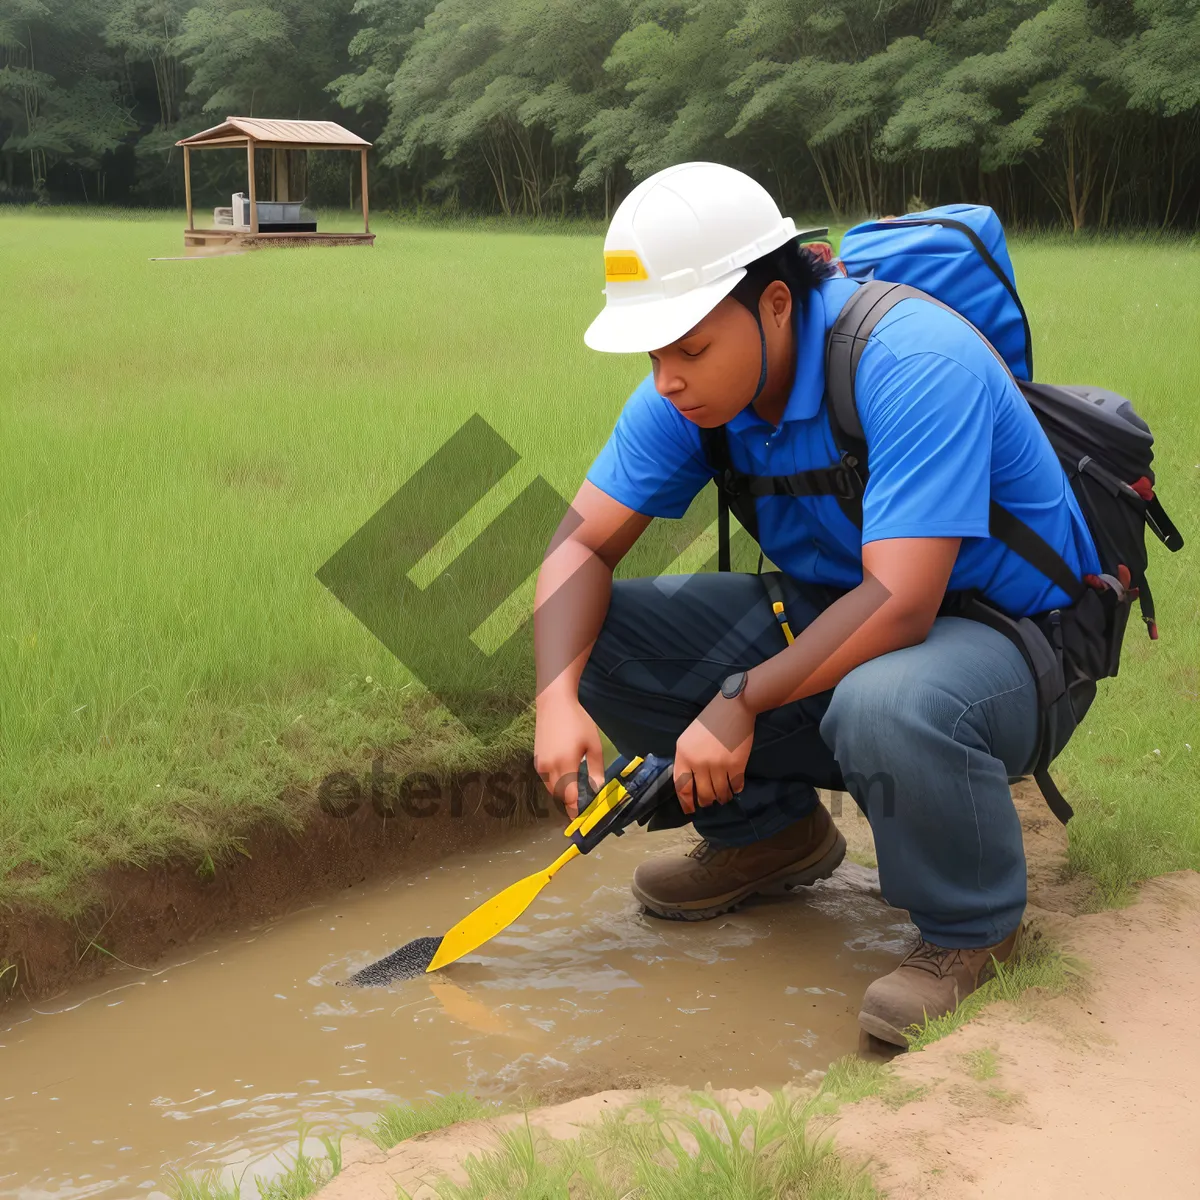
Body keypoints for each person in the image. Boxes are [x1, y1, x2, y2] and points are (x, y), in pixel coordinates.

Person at [531, 162, 1101, 1046]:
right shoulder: (688, 399)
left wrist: (742, 697)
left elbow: (904, 605)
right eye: (654, 354)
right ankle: (769, 836)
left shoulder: (911, 360)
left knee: (890, 698)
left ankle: (973, 932)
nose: (669, 379)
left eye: (688, 347)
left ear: (775, 305)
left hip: (1012, 646)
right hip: (845, 614)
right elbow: (578, 548)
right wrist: (554, 701)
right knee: (592, 638)